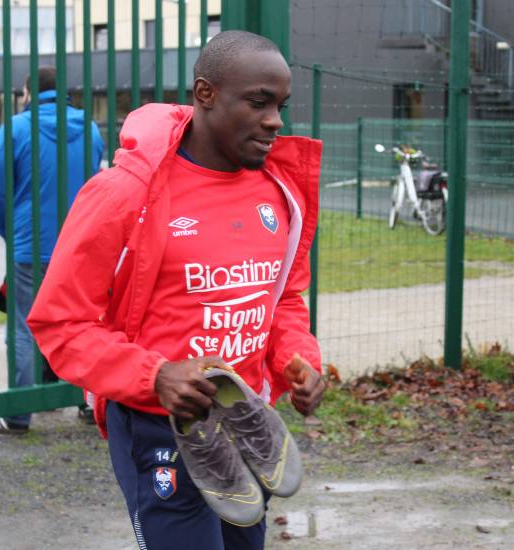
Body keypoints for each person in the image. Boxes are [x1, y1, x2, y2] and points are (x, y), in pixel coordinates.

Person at [27, 31, 325, 549]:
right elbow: (60, 323)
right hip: (157, 428)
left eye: (280, 105)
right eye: (258, 102)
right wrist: (155, 374)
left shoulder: (279, 194)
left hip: (245, 422)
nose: (275, 120)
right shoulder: (124, 195)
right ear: (205, 93)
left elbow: (284, 301)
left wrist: (298, 359)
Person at [0, 66, 104, 434]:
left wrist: (10, 231)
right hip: (80, 245)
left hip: (31, 245)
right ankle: (87, 401)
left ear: (27, 93)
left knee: (23, 327)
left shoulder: (16, 128)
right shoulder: (91, 129)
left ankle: (19, 413)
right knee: (82, 324)